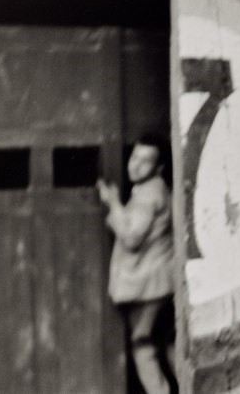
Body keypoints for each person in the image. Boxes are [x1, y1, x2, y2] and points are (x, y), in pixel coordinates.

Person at [97, 133, 176, 394]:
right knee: (164, 340)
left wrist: (113, 204)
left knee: (142, 343)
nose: (135, 165)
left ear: (158, 168)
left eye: (145, 161)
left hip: (150, 284)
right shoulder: (152, 189)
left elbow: (132, 237)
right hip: (155, 281)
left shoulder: (148, 195)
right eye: (134, 157)